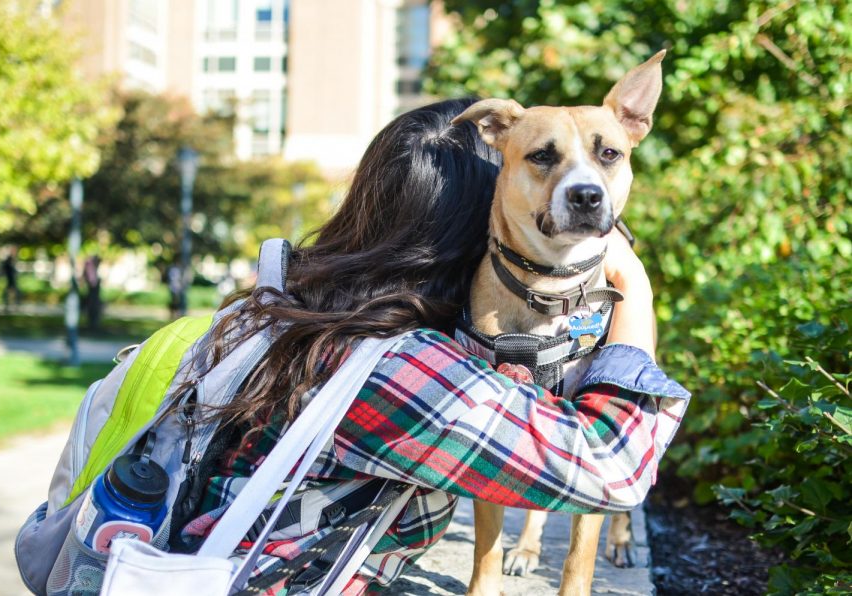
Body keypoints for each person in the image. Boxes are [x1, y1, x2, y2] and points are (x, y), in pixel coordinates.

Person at [172, 98, 690, 594]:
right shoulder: (397, 371)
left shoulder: (283, 307)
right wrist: (634, 283)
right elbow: (613, 472)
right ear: (467, 220)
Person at [1, 247, 20, 312]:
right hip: (9, 278)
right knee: (10, 293)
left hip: (11, 279)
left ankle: (11, 306)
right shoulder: (8, 260)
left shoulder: (11, 260)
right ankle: (8, 306)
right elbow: (6, 269)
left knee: (12, 293)